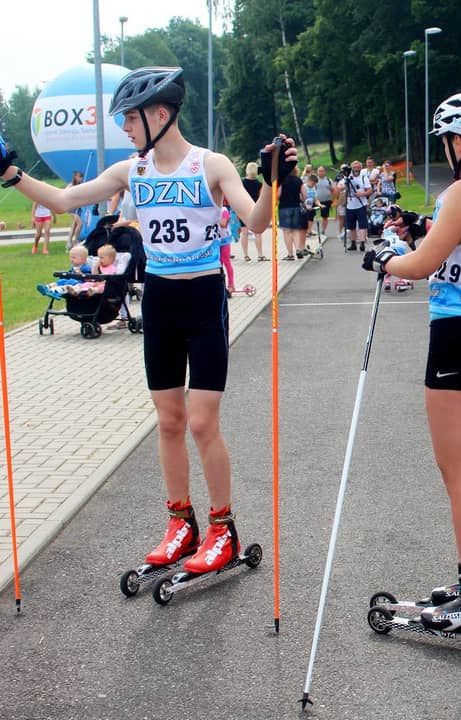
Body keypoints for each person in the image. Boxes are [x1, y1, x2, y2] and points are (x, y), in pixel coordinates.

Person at [0, 66, 294, 575]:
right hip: (159, 301)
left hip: (203, 299)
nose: (125, 128)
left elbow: (258, 221)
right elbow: (64, 200)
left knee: (201, 422)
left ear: (161, 114)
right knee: (169, 420)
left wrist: (272, 183)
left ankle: (222, 528)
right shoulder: (131, 170)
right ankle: (181, 522)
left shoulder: (211, 164)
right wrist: (10, 173)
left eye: (131, 119)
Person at [363, 90, 461, 637]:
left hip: (458, 340)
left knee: (460, 476)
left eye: (446, 142)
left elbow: (423, 264)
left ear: (458, 141)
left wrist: (387, 255)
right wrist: (421, 225)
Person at [340, 159, 372, 251]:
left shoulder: (364, 178)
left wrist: (362, 194)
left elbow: (369, 190)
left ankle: (362, 243)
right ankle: (353, 243)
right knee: (351, 226)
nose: (356, 169)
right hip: (350, 205)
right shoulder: (347, 178)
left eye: (358, 167)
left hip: (361, 204)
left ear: (361, 168)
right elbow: (340, 187)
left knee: (362, 225)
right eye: (354, 167)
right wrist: (344, 185)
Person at [238, 161, 266, 261]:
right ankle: (260, 255)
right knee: (258, 233)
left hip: (244, 208)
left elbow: (239, 196)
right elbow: (261, 198)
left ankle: (246, 255)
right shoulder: (260, 184)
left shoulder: (242, 183)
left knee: (244, 233)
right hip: (256, 209)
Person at [278, 165, 306, 259]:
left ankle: (290, 254)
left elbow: (278, 194)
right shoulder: (298, 180)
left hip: (284, 207)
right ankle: (298, 249)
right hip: (296, 207)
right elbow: (304, 195)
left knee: (287, 231)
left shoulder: (281, 180)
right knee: (296, 230)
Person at [314, 165, 336, 239]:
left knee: (325, 216)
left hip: (326, 201)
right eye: (319, 171)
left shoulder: (328, 180)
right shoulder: (314, 180)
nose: (321, 172)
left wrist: (332, 200)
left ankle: (323, 231)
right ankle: (310, 230)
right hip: (316, 200)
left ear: (325, 172)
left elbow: (333, 190)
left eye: (322, 171)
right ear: (317, 172)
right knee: (311, 216)